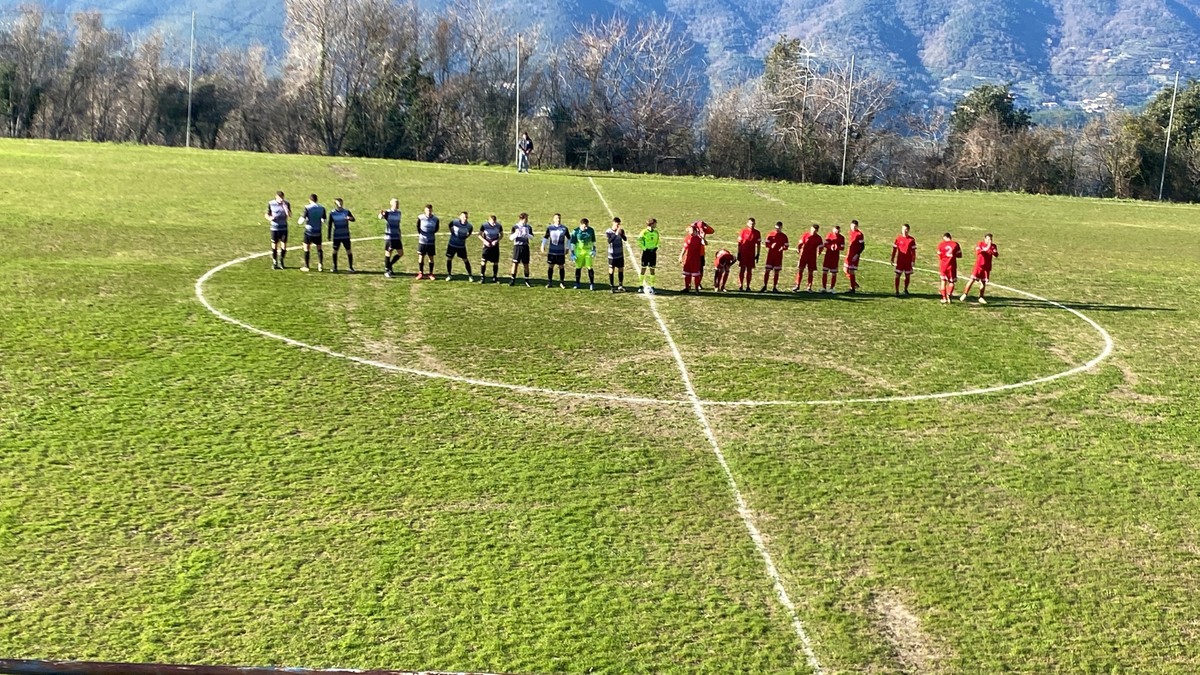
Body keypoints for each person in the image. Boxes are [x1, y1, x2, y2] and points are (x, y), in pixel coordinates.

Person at [961, 233, 999, 304]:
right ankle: (965, 294)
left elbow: (996, 254)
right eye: (988, 239)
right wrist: (988, 246)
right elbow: (980, 251)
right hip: (979, 266)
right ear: (985, 239)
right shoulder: (980, 244)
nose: (989, 241)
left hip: (986, 267)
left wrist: (994, 252)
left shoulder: (993, 246)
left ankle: (981, 297)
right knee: (972, 280)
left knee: (983, 282)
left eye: (991, 239)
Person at [327, 198, 356, 273]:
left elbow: (353, 219)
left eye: (340, 203)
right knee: (335, 251)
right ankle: (335, 267)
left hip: (345, 235)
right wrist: (329, 235)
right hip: (337, 235)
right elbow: (330, 224)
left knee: (348, 250)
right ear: (335, 204)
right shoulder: (332, 213)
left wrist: (349, 218)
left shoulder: (346, 212)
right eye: (338, 203)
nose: (339, 204)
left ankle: (351, 267)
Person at [541, 213, 570, 288]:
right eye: (556, 218)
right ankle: (549, 282)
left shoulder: (564, 228)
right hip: (552, 252)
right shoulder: (550, 228)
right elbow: (546, 237)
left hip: (560, 252)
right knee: (551, 266)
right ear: (553, 219)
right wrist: (542, 246)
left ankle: (562, 282)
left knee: (561, 266)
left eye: (559, 218)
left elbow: (569, 238)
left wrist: (567, 248)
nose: (558, 220)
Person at [793, 223, 823, 292]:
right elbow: (800, 243)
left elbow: (821, 246)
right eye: (812, 230)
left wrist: (819, 252)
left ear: (817, 231)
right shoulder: (805, 235)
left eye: (814, 231)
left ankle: (809, 287)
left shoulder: (818, 238)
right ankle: (797, 285)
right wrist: (798, 249)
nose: (813, 232)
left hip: (812, 257)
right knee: (800, 270)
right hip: (803, 255)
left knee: (810, 272)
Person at [760, 221, 789, 292]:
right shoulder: (770, 234)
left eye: (778, 228)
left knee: (776, 272)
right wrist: (771, 246)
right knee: (767, 270)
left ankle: (774, 287)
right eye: (776, 228)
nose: (777, 229)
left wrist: (782, 248)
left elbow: (786, 246)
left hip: (778, 256)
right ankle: (765, 286)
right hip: (770, 256)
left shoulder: (784, 236)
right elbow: (766, 244)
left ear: (781, 228)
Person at [265, 191, 291, 269]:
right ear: (276, 197)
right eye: (280, 198)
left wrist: (285, 208)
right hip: (274, 228)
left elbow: (289, 215)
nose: (281, 199)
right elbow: (267, 214)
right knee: (274, 245)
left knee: (284, 245)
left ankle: (281, 260)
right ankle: (274, 261)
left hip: (284, 227)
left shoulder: (286, 203)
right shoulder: (271, 203)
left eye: (282, 198)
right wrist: (269, 218)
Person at [300, 194, 326, 273]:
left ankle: (306, 266)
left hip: (309, 232)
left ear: (309, 200)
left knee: (306, 248)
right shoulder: (322, 208)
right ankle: (320, 264)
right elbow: (324, 220)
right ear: (316, 200)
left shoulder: (307, 208)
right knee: (319, 248)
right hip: (318, 231)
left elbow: (301, 221)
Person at [445, 211, 474, 281]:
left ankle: (470, 275)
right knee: (449, 259)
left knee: (465, 259)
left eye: (466, 217)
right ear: (460, 217)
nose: (465, 218)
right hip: (452, 244)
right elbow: (450, 225)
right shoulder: (455, 222)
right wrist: (452, 231)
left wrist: (465, 237)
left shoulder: (469, 226)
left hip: (461, 246)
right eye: (463, 217)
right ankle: (449, 274)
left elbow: (470, 232)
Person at [570, 217, 598, 290]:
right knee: (578, 267)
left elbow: (593, 241)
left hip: (588, 251)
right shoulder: (575, 231)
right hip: (579, 252)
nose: (586, 228)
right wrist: (572, 253)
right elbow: (572, 243)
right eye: (585, 226)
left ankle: (592, 284)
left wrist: (594, 250)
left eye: (587, 226)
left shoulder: (591, 230)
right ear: (581, 224)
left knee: (589, 267)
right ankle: (577, 283)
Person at [936, 232, 963, 304]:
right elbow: (959, 255)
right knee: (951, 282)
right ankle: (949, 295)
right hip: (952, 265)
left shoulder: (941, 244)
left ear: (944, 237)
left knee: (943, 281)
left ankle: (944, 298)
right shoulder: (955, 244)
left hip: (943, 265)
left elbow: (940, 255)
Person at [379, 198, 403, 279]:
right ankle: (387, 270)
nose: (397, 205)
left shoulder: (399, 213)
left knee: (400, 253)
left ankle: (389, 265)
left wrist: (400, 233)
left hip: (396, 236)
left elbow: (398, 224)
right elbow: (380, 217)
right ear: (392, 204)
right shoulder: (388, 212)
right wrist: (381, 214)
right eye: (396, 203)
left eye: (398, 203)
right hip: (389, 236)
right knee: (388, 252)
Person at [687, 221, 715, 290]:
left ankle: (698, 283)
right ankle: (688, 284)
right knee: (690, 269)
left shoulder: (703, 231)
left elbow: (712, 231)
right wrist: (693, 225)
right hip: (693, 253)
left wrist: (706, 225)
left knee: (700, 270)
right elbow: (688, 230)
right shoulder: (693, 229)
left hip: (701, 253)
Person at [736, 217, 762, 291]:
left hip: (751, 254)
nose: (751, 225)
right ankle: (740, 285)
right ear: (747, 224)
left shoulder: (757, 233)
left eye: (753, 224)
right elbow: (739, 243)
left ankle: (748, 286)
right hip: (743, 253)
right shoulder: (743, 231)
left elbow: (758, 244)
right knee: (742, 269)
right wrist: (739, 253)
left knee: (749, 270)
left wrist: (758, 254)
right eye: (750, 223)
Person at [509, 212, 534, 286]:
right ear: (522, 219)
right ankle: (513, 279)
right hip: (517, 246)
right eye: (526, 219)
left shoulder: (528, 227)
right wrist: (516, 234)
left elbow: (532, 237)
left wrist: (527, 234)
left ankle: (527, 280)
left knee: (526, 263)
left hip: (525, 246)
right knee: (515, 263)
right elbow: (511, 238)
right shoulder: (515, 227)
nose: (527, 220)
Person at [891, 223, 917, 296]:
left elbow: (913, 252)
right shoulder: (898, 239)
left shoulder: (911, 240)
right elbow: (894, 249)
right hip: (900, 260)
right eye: (903, 229)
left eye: (906, 230)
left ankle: (905, 289)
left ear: (908, 230)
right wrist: (892, 258)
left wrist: (913, 260)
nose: (904, 231)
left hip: (908, 261)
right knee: (897, 275)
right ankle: (897, 291)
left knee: (907, 275)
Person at [415, 204, 440, 280]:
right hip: (422, 241)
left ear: (432, 210)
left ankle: (431, 273)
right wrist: (422, 235)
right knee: (421, 257)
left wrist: (430, 234)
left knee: (431, 257)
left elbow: (436, 228)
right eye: (427, 210)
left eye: (430, 210)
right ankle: (421, 273)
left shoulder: (435, 219)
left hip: (431, 241)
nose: (429, 212)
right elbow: (418, 227)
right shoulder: (420, 217)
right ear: (425, 210)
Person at [477, 214, 504, 283]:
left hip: (495, 246)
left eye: (495, 222)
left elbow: (501, 235)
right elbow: (479, 235)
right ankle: (482, 277)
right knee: (483, 261)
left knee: (495, 262)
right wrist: (485, 241)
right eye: (492, 222)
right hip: (486, 246)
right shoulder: (484, 225)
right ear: (489, 221)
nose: (494, 224)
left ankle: (495, 277)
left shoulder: (498, 226)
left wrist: (497, 240)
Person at [636, 218, 660, 294]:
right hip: (646, 253)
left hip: (653, 253)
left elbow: (658, 240)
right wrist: (644, 248)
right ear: (651, 224)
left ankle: (652, 286)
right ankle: (640, 285)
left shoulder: (656, 232)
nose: (656, 225)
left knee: (652, 269)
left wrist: (656, 247)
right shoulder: (644, 232)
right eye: (655, 223)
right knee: (643, 268)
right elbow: (639, 240)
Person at [605, 217, 628, 293]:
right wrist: (616, 234)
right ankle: (612, 286)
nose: (618, 226)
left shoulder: (621, 230)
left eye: (619, 224)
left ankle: (620, 285)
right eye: (617, 224)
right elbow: (609, 241)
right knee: (611, 270)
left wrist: (622, 234)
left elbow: (625, 239)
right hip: (612, 255)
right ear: (613, 223)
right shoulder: (608, 231)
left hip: (620, 254)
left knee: (621, 269)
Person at [821, 224, 845, 293]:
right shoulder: (829, 235)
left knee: (834, 273)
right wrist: (830, 246)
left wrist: (837, 247)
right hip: (828, 256)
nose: (837, 232)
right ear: (833, 230)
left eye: (838, 231)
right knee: (825, 271)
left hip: (835, 257)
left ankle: (832, 288)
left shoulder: (841, 238)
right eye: (835, 231)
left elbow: (842, 247)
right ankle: (824, 288)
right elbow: (825, 244)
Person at [679, 228, 705, 293]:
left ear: (695, 231)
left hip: (695, 260)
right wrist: (681, 256)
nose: (689, 232)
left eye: (691, 230)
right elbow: (685, 247)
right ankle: (687, 288)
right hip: (687, 259)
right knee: (687, 274)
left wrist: (703, 238)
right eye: (689, 231)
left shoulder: (699, 239)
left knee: (696, 275)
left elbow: (705, 243)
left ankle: (696, 289)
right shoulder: (687, 238)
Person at [844, 220, 865, 294]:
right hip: (849, 254)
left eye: (855, 226)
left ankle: (852, 288)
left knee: (851, 271)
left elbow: (862, 246)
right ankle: (854, 284)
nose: (853, 228)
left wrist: (857, 254)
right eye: (852, 226)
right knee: (845, 270)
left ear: (857, 226)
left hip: (854, 255)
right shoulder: (851, 232)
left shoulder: (859, 234)